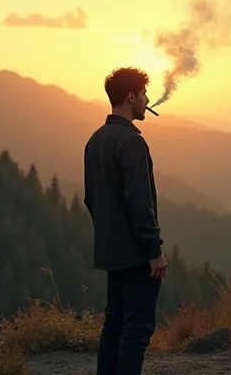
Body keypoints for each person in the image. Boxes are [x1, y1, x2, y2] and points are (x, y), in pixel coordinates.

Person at [83, 67, 167, 375]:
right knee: (136, 332)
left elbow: (91, 200)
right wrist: (153, 250)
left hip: (112, 254)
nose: (146, 100)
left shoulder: (96, 140)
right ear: (131, 96)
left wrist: (110, 235)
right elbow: (140, 203)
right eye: (144, 93)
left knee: (113, 327)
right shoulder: (132, 142)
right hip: (136, 256)